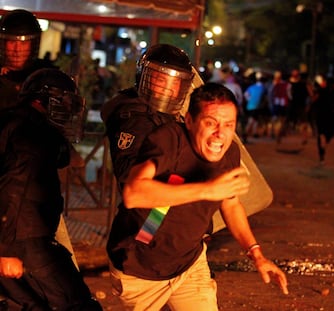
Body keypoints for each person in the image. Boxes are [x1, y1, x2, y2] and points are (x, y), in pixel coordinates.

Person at [108, 82, 288, 310]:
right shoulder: (170, 140)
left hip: (190, 264)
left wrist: (256, 254)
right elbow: (134, 193)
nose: (220, 134)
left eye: (228, 125)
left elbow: (231, 205)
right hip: (139, 270)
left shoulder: (229, 151)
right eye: (211, 123)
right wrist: (208, 189)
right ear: (190, 121)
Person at [0, 68, 102, 310]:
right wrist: (4, 250)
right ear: (44, 99)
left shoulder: (14, 122)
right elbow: (13, 188)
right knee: (76, 304)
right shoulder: (31, 132)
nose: (68, 112)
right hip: (25, 240)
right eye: (64, 103)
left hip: (20, 237)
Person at [101, 43, 195, 188]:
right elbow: (127, 174)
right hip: (149, 203)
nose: (167, 88)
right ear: (144, 77)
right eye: (160, 80)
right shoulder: (135, 117)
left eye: (175, 82)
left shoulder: (169, 116)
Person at [0, 9, 57, 111]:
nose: (17, 49)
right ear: (3, 43)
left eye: (23, 43)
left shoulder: (45, 76)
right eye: (12, 42)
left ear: (33, 44)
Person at [312, 76, 334, 164]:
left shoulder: (321, 90)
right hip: (332, 115)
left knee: (321, 133)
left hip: (322, 115)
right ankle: (324, 144)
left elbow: (314, 99)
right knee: (329, 133)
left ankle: (321, 151)